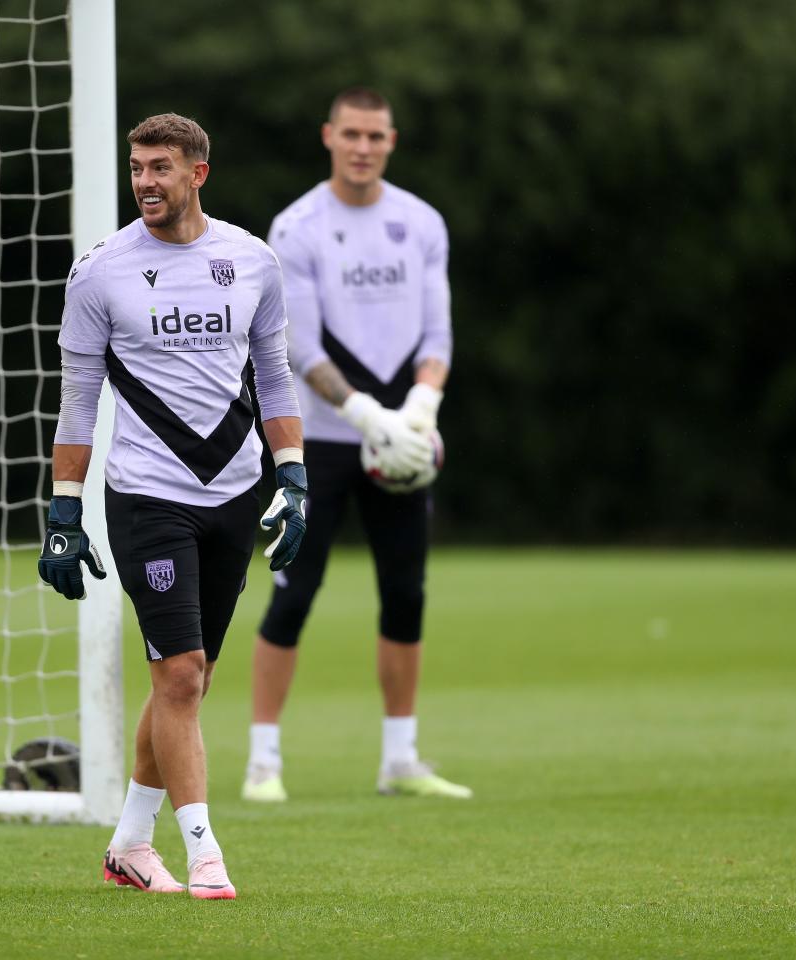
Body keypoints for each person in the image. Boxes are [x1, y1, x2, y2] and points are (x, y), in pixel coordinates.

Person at [38, 113, 307, 899]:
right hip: (147, 497)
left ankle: (128, 843)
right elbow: (78, 404)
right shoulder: (101, 273)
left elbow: (276, 379)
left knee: (184, 683)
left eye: (160, 167)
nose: (145, 182)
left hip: (236, 493)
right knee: (180, 676)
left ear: (199, 173)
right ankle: (205, 853)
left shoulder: (253, 262)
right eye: (136, 167)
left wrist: (291, 478)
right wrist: (63, 513)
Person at [241, 87, 472, 803]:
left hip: (402, 438)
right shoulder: (299, 226)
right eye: (352, 135)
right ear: (328, 136)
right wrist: (365, 413)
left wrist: (420, 410)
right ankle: (262, 762)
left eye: (376, 136)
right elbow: (300, 345)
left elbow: (436, 336)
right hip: (320, 439)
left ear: (392, 141)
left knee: (406, 593)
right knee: (294, 591)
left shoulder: (421, 222)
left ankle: (400, 759)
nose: (363, 147)